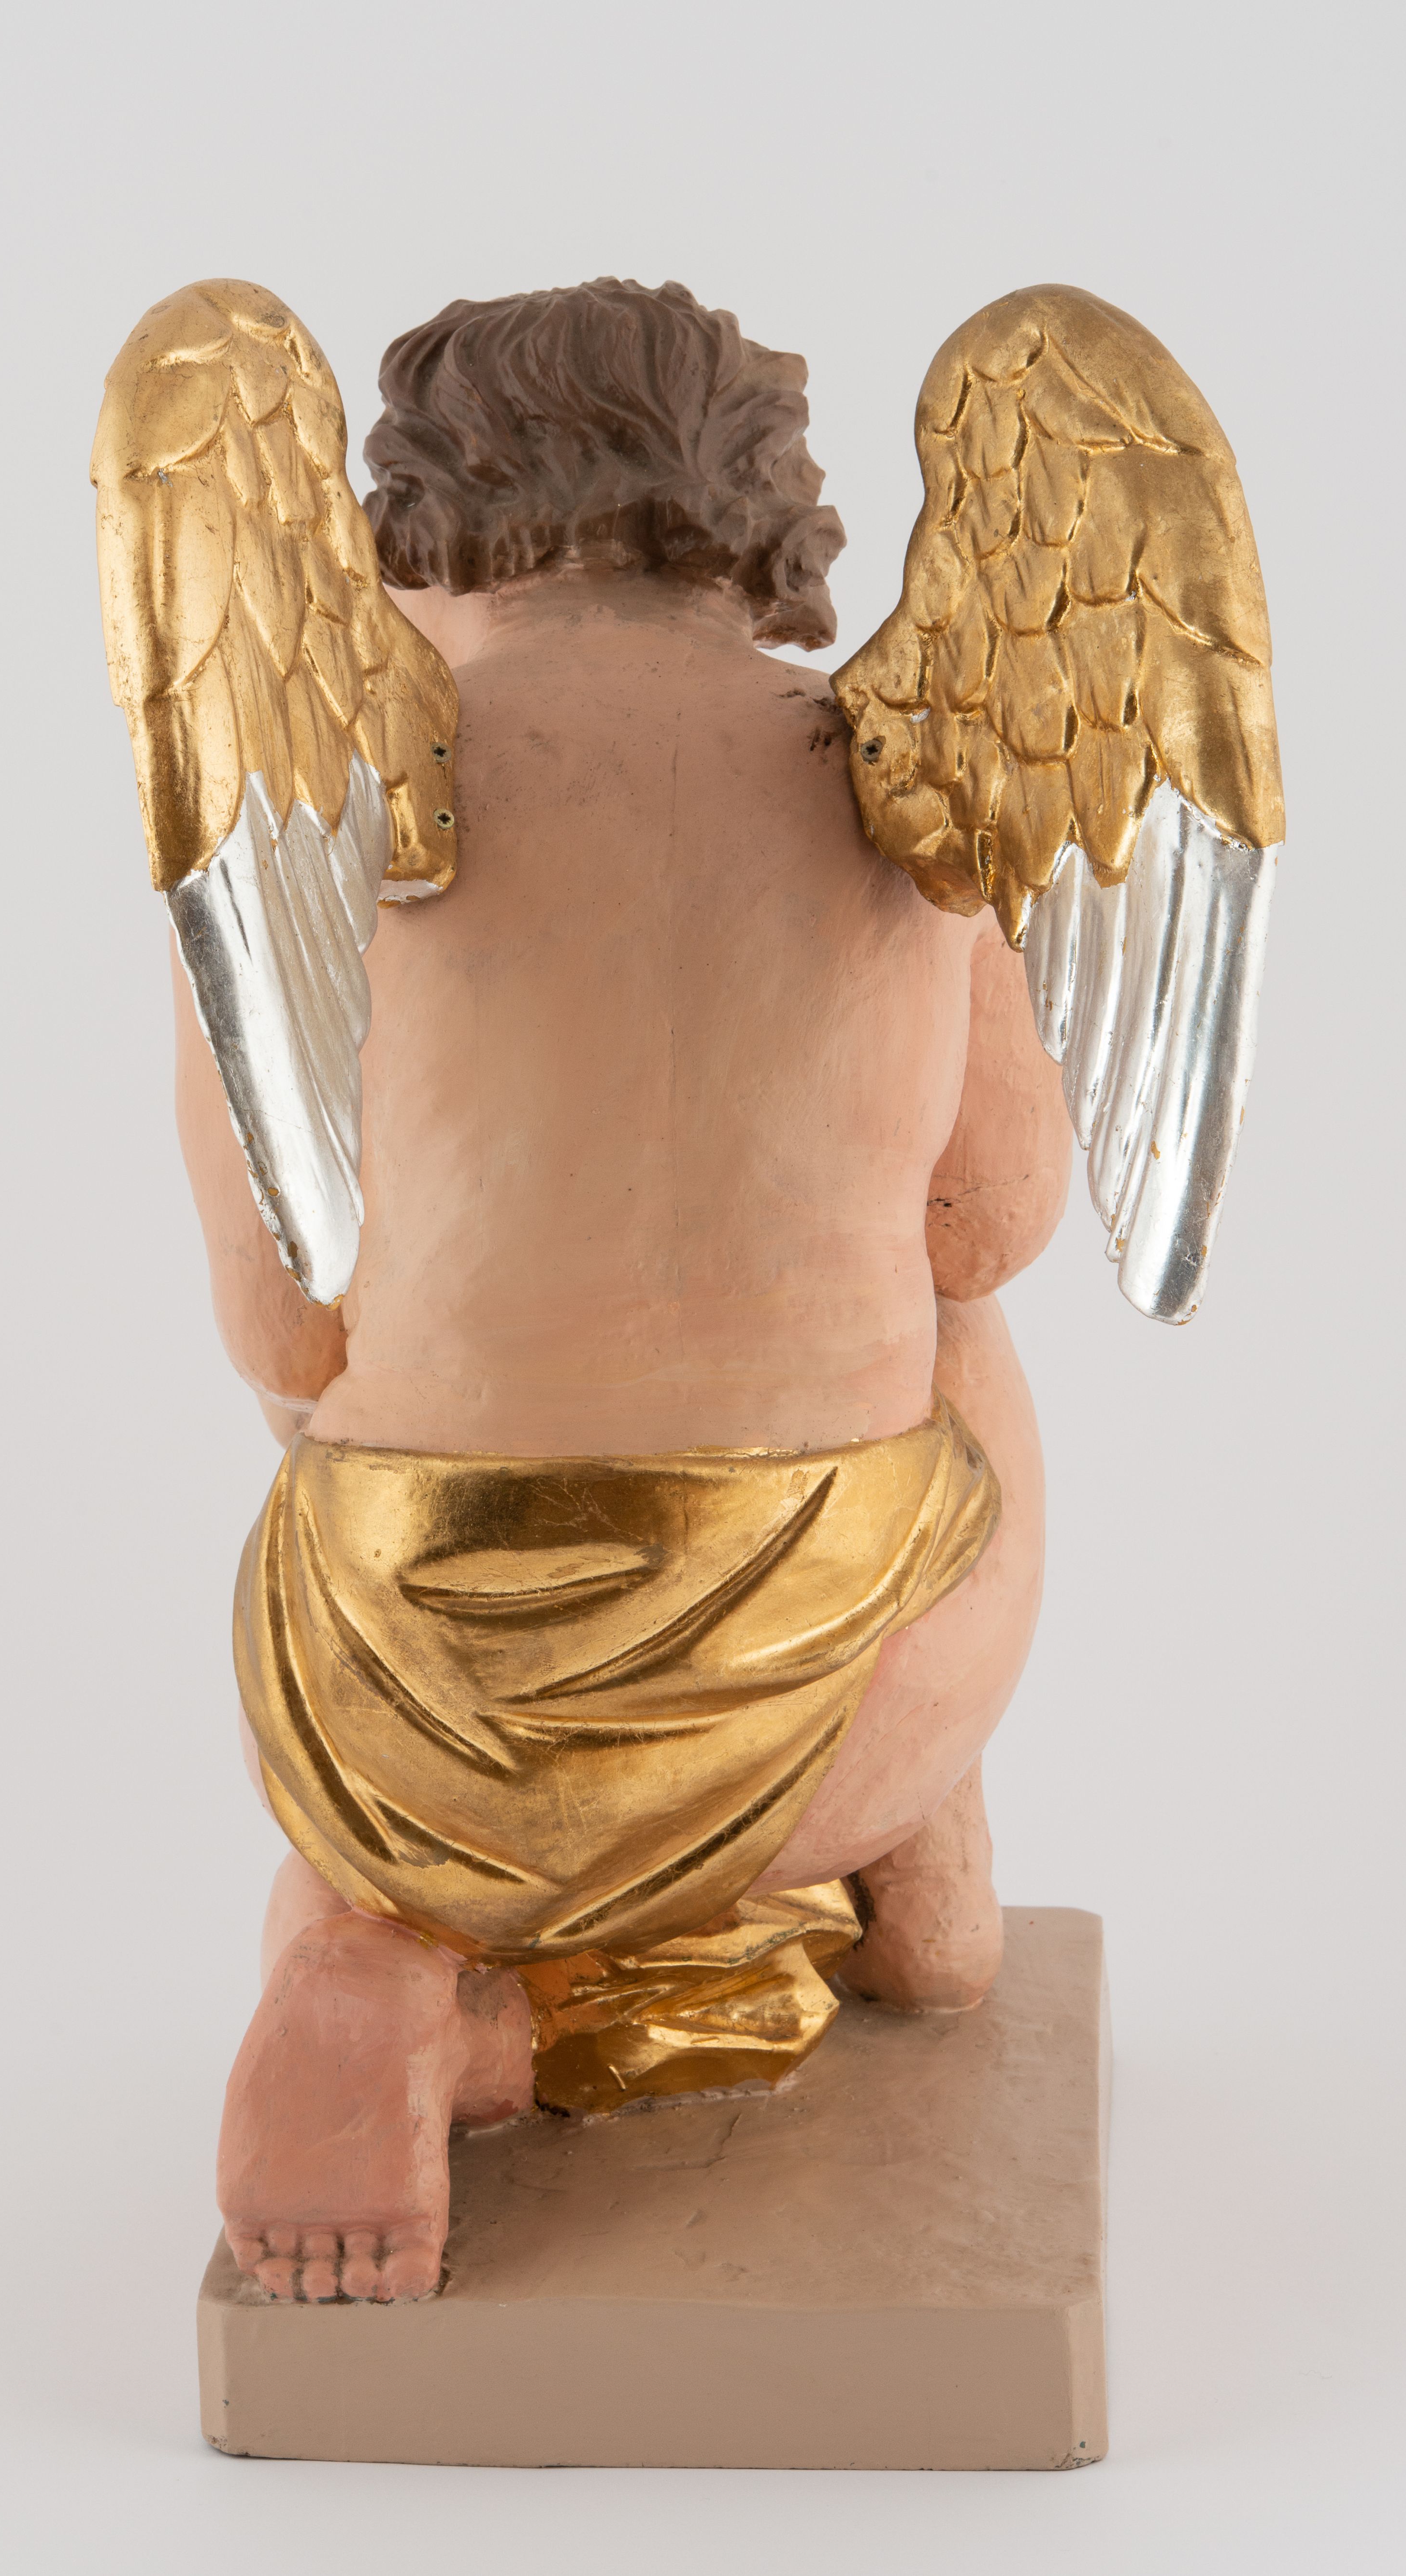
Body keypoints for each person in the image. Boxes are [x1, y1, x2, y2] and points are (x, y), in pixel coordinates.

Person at [176, 280, 1074, 2304]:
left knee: (348, 1373)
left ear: (415, 524)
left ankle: (387, 1935)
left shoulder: (314, 789)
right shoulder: (895, 766)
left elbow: (280, 1327)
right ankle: (920, 1890)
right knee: (948, 1310)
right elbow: (994, 1216)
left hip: (401, 1708)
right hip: (844, 1680)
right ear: (755, 517)